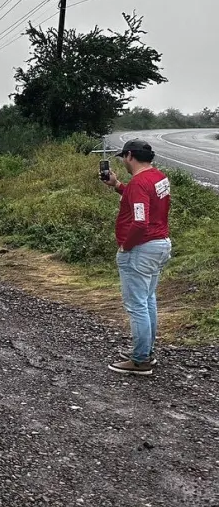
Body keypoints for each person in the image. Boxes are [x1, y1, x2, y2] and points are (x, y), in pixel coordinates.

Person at [102, 139, 171, 376]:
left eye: (123, 157)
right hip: (159, 244)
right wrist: (118, 185)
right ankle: (145, 351)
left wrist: (126, 246)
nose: (122, 161)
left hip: (141, 249)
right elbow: (141, 199)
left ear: (130, 156)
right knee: (147, 299)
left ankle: (140, 360)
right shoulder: (158, 177)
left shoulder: (140, 183)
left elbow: (140, 221)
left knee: (137, 305)